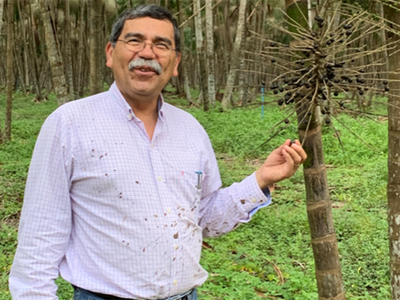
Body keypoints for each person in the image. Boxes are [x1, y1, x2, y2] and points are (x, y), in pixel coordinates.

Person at [9, 4, 307, 300]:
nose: (147, 53)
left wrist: (261, 179)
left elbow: (205, 217)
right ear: (111, 53)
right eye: (135, 40)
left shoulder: (190, 129)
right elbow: (40, 237)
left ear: (174, 63)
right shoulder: (70, 124)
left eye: (161, 45)